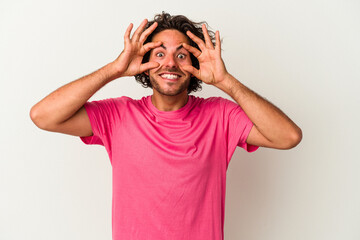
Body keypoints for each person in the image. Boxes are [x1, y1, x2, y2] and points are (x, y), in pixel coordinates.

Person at [30, 12, 302, 240]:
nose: (170, 62)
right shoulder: (118, 114)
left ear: (194, 65)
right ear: (145, 64)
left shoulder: (220, 116)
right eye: (159, 53)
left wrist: (225, 82)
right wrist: (115, 69)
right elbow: (43, 116)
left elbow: (288, 137)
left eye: (182, 56)